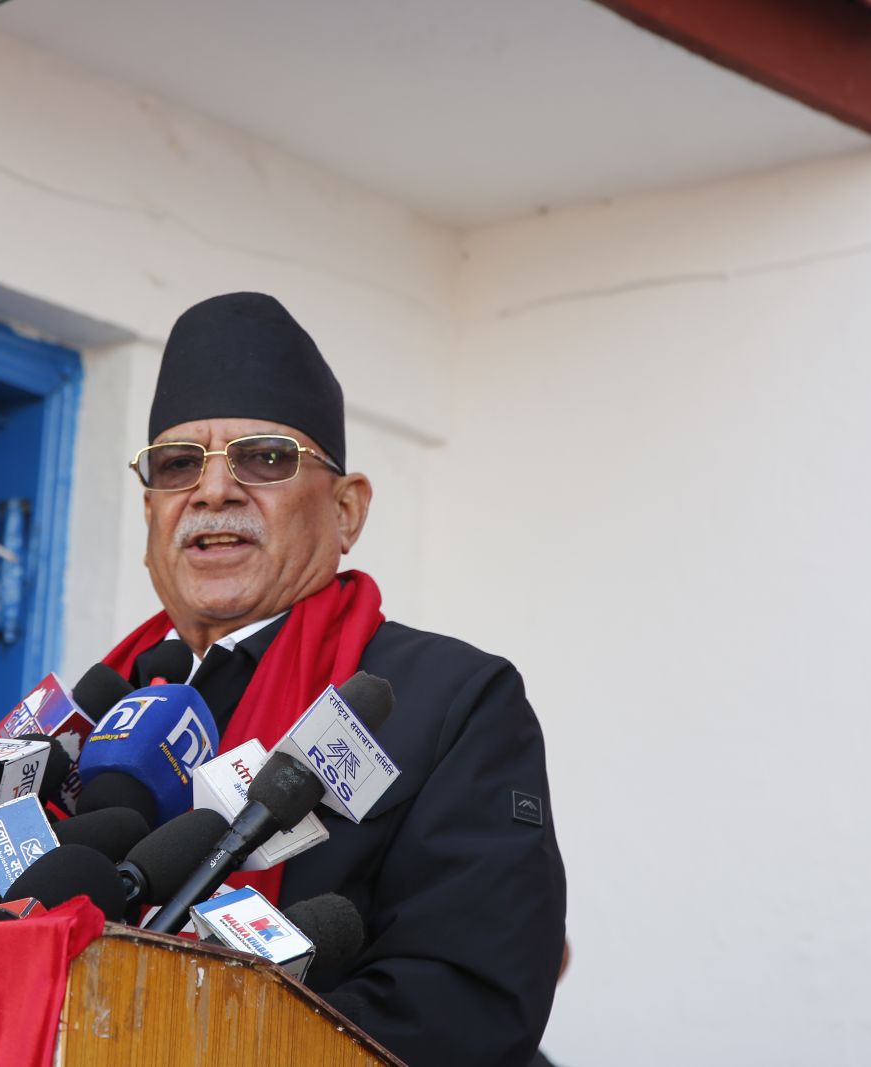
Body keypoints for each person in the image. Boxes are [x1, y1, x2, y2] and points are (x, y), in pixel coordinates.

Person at [101, 292, 566, 1067]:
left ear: (347, 511)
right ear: (150, 512)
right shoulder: (92, 718)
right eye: (179, 464)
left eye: (265, 458)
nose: (213, 491)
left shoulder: (448, 701)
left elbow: (463, 999)